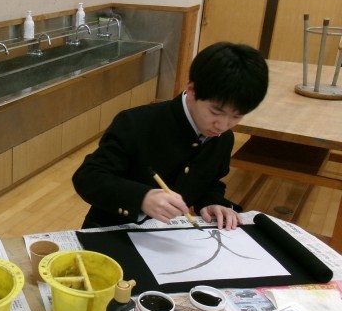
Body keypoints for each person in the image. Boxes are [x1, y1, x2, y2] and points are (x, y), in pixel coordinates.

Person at [72, 41, 268, 231]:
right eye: (215, 111)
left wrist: (212, 202)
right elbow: (88, 177)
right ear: (191, 90)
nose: (223, 126)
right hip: (112, 232)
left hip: (168, 239)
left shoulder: (223, 138)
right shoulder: (136, 123)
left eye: (236, 116)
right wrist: (142, 198)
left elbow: (210, 182)